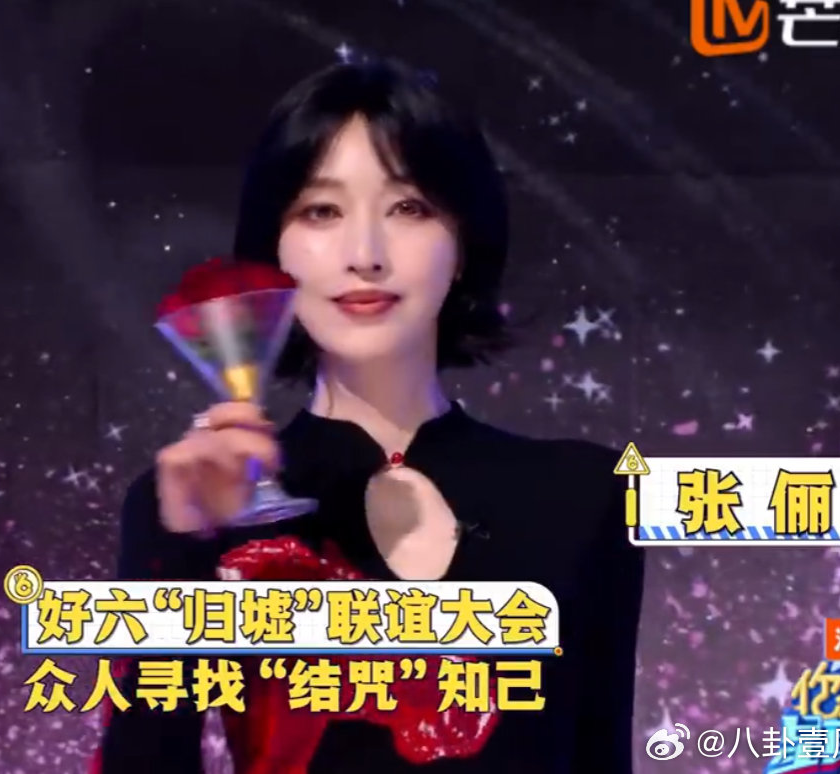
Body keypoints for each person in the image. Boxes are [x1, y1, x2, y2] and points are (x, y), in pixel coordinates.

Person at [94, 58, 645, 774]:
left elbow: (601, 755)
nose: (364, 255)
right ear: (273, 249)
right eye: (321, 211)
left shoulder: (585, 494)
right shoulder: (192, 507)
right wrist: (180, 554)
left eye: (408, 207)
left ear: (463, 244)